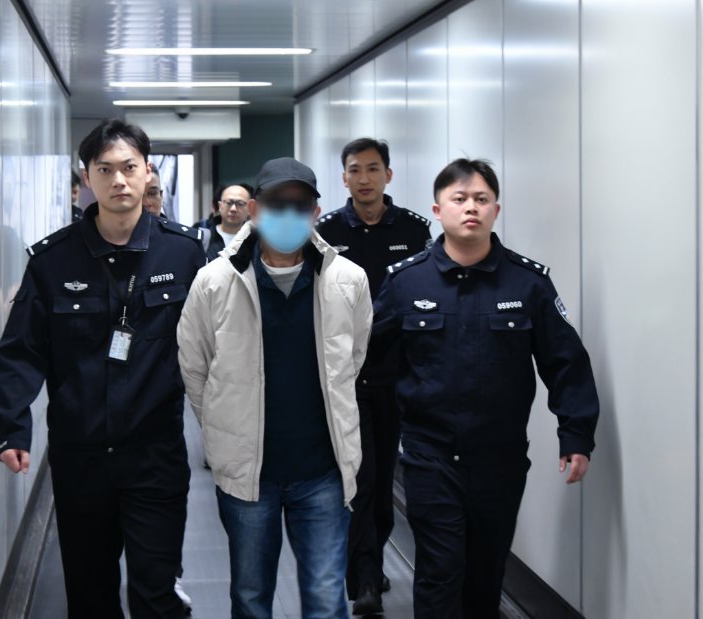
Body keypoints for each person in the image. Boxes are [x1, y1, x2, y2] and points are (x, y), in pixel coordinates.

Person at [0, 118, 206, 618]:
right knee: (90, 595)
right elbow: (22, 349)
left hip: (155, 454)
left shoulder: (184, 253)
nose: (118, 180)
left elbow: (216, 344)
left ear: (147, 172)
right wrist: (12, 429)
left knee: (156, 591)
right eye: (104, 170)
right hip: (80, 456)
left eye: (129, 167)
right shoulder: (52, 261)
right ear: (87, 178)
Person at [370, 158, 600, 619]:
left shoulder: (529, 283)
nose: (471, 207)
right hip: (430, 457)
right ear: (438, 210)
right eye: (459, 199)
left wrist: (576, 435)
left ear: (496, 209)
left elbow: (565, 362)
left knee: (484, 576)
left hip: (500, 460)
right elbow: (368, 361)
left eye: (481, 199)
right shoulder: (406, 281)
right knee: (439, 571)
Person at [177, 157, 373, 619]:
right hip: (248, 475)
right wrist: (223, 429)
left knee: (326, 599)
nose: (288, 214)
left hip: (324, 471)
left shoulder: (348, 280)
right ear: (254, 210)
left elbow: (353, 359)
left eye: (299, 206)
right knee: (250, 596)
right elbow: (194, 367)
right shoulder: (214, 281)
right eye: (276, 203)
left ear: (316, 213)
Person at [316, 138, 432, 615]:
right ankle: (363, 574)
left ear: (388, 174)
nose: (363, 178)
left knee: (383, 480)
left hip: (394, 375)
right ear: (343, 177)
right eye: (354, 170)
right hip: (342, 377)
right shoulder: (325, 231)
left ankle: (370, 559)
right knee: (356, 477)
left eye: (372, 168)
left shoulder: (414, 230)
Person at [203, 182, 253, 261]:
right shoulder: (204, 238)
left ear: (250, 209)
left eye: (240, 204)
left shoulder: (256, 241)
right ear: (220, 206)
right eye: (228, 203)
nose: (233, 209)